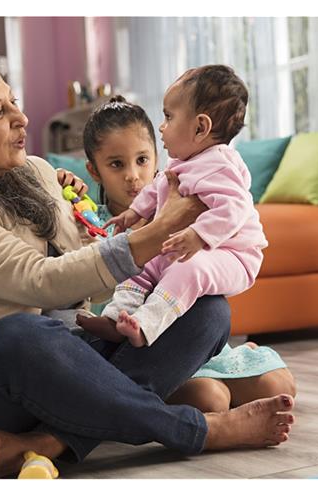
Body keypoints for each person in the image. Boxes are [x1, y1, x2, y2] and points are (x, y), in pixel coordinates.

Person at [0, 50, 295, 479]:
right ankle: (200, 430)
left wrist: (138, 256)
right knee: (24, 335)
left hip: (58, 362)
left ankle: (49, 441)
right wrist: (160, 228)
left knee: (208, 311)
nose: (21, 118)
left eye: (13, 101)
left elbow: (87, 279)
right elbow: (42, 282)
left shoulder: (36, 173)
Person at [75, 95, 296, 412]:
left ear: (158, 157)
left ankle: (224, 362)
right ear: (94, 171)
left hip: (186, 332)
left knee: (279, 385)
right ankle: (188, 396)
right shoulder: (92, 224)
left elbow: (210, 263)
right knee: (210, 399)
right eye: (116, 164)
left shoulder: (184, 198)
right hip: (141, 347)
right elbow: (83, 280)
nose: (132, 175)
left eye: (142, 160)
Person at [82, 65, 266, 350]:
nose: (162, 126)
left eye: (169, 117)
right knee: (141, 262)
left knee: (188, 269)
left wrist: (199, 235)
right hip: (191, 248)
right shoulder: (182, 163)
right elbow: (158, 187)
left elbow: (235, 207)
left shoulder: (220, 164)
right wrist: (135, 212)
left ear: (200, 128)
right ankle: (116, 315)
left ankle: (146, 324)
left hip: (233, 254)